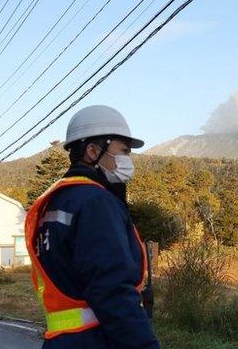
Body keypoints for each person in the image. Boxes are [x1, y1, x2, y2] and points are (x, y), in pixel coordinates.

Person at [25, 105, 160, 349]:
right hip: (94, 340)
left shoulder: (57, 202)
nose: (127, 160)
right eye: (123, 151)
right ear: (92, 150)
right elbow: (113, 289)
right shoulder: (95, 202)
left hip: (60, 342)